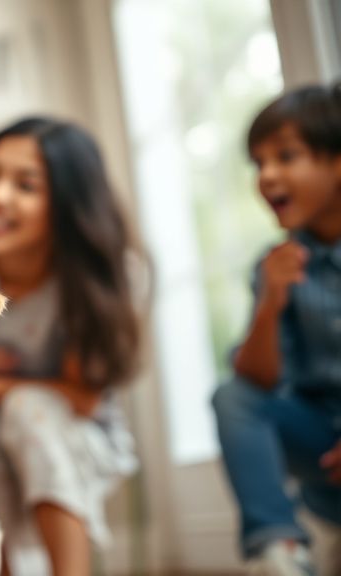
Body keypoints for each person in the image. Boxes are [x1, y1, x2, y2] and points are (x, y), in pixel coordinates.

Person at [0, 117, 146, 576]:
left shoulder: (107, 274)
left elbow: (83, 399)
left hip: (78, 439)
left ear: (69, 204)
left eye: (25, 185)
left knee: (29, 408)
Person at [211, 84, 341, 576]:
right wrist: (269, 302)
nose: (267, 176)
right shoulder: (276, 266)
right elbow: (257, 383)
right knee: (232, 396)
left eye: (286, 157)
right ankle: (279, 553)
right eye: (258, 164)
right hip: (324, 455)